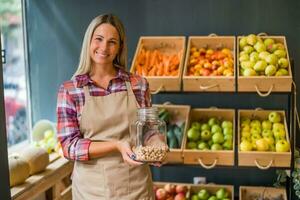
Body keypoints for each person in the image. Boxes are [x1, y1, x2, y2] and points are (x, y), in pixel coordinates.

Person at [56, 14, 155, 200]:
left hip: (136, 187)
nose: (104, 48)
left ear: (120, 48)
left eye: (112, 42)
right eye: (99, 39)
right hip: (91, 190)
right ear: (89, 42)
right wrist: (116, 145)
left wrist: (156, 143)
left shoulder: (138, 85)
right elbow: (69, 146)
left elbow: (148, 131)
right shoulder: (70, 90)